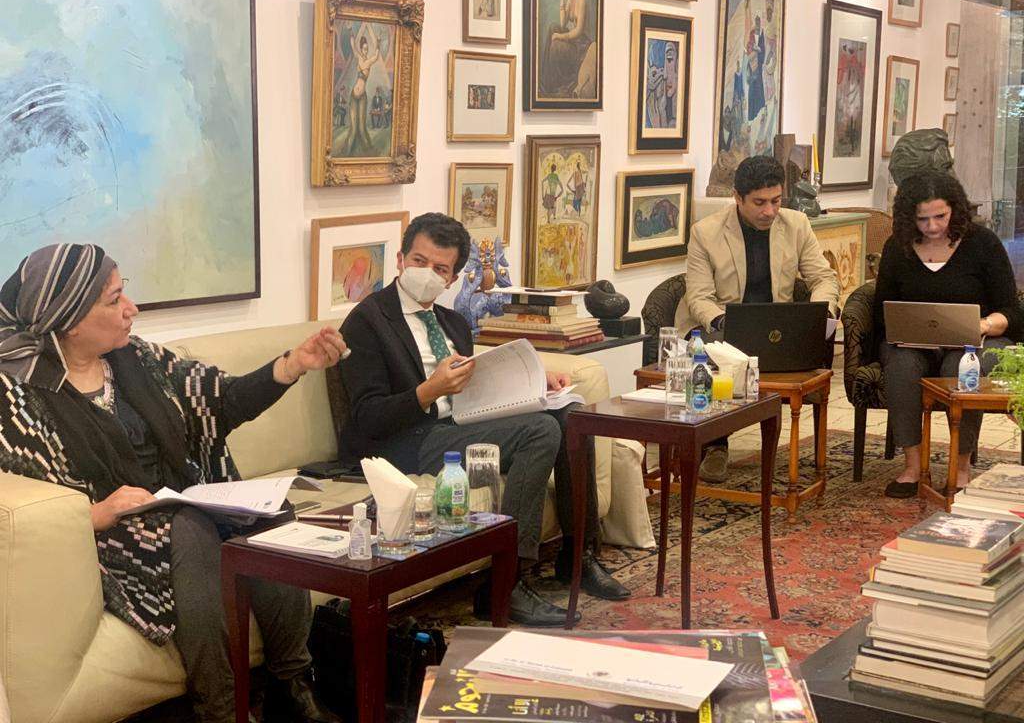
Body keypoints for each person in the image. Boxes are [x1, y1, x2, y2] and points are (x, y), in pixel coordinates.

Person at [0, 244, 348, 723]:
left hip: (182, 503)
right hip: (111, 533)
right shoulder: (17, 395)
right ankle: (219, 709)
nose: (132, 309)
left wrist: (293, 364)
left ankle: (293, 686)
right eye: (114, 299)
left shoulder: (137, 357)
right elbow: (28, 504)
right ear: (71, 319)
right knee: (188, 531)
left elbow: (220, 400)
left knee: (269, 516)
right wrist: (96, 513)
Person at [337, 213, 630, 627]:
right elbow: (369, 418)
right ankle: (505, 583)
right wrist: (430, 389)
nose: (426, 273)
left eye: (439, 269)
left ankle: (577, 555)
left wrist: (535, 381)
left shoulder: (453, 322)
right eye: (419, 261)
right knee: (540, 431)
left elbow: (474, 386)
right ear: (400, 259)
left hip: (455, 425)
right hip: (404, 442)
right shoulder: (367, 322)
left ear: (453, 279)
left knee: (568, 414)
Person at [682, 156, 840, 483]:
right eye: (759, 203)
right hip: (723, 326)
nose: (769, 211)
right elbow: (699, 297)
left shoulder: (796, 224)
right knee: (713, 352)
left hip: (775, 326)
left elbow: (823, 277)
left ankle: (779, 440)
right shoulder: (706, 233)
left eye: (776, 201)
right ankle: (716, 446)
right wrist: (723, 324)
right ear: (737, 198)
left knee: (798, 346)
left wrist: (822, 311)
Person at [874, 172, 1022, 498]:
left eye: (940, 216)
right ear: (909, 217)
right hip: (913, 344)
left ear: (955, 209)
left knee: (961, 366)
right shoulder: (898, 247)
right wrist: (896, 331)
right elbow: (882, 308)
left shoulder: (982, 244)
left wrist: (984, 324)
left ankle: (961, 467)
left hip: (975, 341)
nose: (932, 226)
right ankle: (913, 467)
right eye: (923, 219)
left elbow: (1012, 311)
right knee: (901, 365)